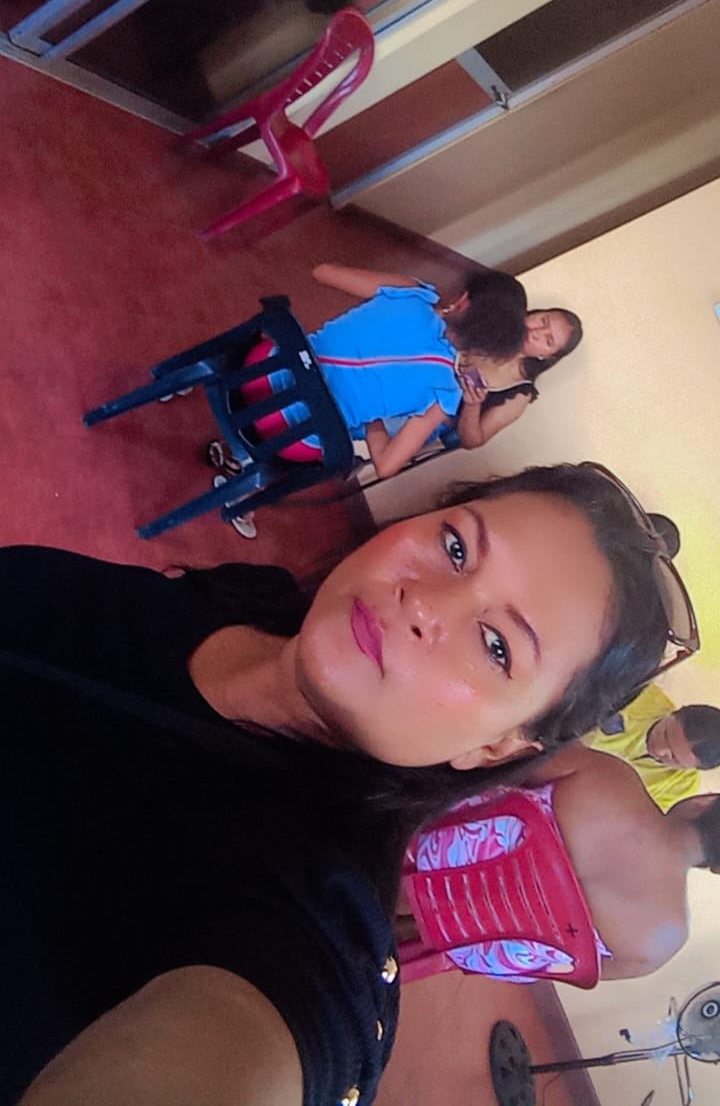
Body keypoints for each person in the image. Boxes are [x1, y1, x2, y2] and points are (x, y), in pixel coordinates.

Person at [3, 463, 675, 1106]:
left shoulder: (306, 916)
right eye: (455, 547)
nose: (424, 602)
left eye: (496, 645)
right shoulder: (256, 599)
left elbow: (253, 1034)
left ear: (497, 745)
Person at [211, 262, 528, 537]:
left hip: (252, 373)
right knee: (334, 446)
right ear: (484, 351)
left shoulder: (412, 293)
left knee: (282, 342)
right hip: (284, 437)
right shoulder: (446, 394)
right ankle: (243, 493)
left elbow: (323, 272)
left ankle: (190, 374)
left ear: (462, 300)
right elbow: (386, 465)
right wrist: (372, 418)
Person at [398, 741, 718, 984]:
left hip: (434, 855)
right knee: (515, 928)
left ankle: (403, 893)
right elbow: (569, 969)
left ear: (704, 802)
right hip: (473, 945)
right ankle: (423, 924)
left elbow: (514, 760)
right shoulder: (664, 942)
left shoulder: (614, 779)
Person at [455, 305, 583, 450]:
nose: (536, 333)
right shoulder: (489, 318)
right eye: (543, 321)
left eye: (548, 340)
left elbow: (471, 442)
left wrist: (472, 405)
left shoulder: (519, 393)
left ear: (546, 356)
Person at [584, 687, 720, 811]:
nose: (660, 750)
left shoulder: (681, 789)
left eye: (674, 758)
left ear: (692, 768)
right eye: (665, 735)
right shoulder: (638, 693)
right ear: (673, 713)